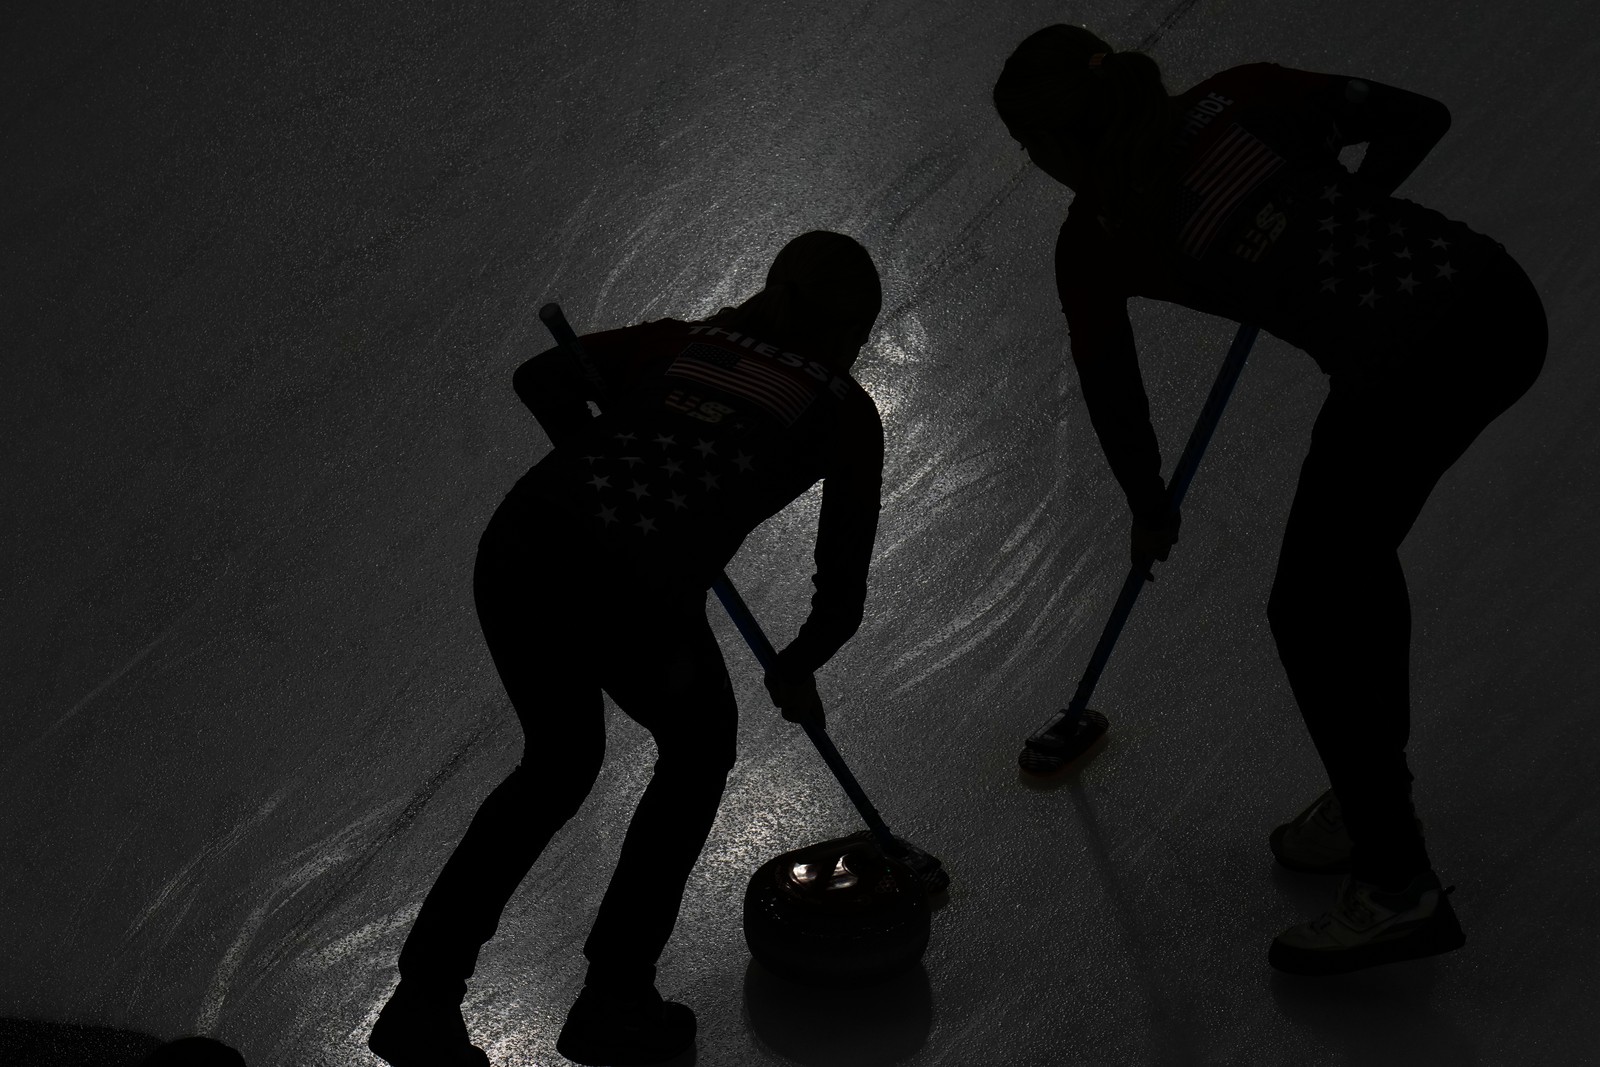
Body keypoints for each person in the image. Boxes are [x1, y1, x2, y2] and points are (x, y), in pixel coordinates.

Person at [992, 25, 1546, 975]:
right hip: (1493, 300)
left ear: (1057, 142)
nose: (1037, 167)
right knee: (1352, 563)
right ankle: (1372, 790)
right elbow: (1416, 119)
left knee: (1310, 605)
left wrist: (1149, 503)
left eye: (1029, 148)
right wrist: (1334, 217)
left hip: (1408, 365)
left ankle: (1397, 882)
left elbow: (1111, 386)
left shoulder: (1101, 231)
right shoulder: (1239, 96)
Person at [367, 230, 885, 1065]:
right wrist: (797, 660)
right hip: (636, 584)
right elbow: (842, 587)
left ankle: (423, 997)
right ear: (836, 326)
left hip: (527, 541)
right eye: (855, 333)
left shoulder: (687, 340)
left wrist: (599, 454)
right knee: (698, 748)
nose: (853, 350)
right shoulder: (842, 410)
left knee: (558, 761)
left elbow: (541, 377)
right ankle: (614, 995)